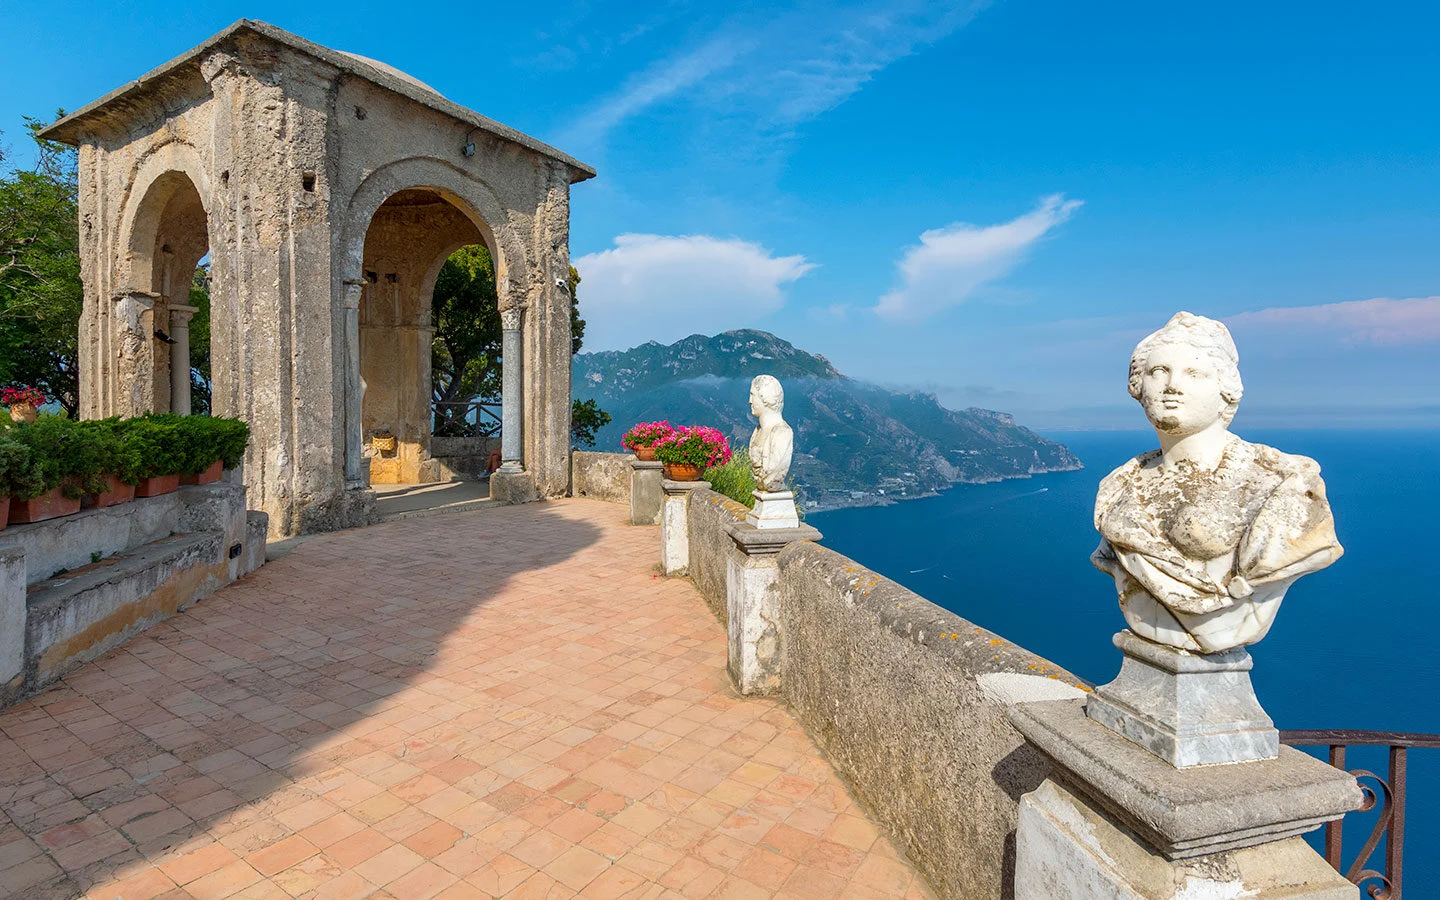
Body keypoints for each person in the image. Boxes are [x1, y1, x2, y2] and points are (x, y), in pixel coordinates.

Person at [1091, 312, 1343, 653]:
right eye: (1158, 372)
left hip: (1223, 637)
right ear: (1138, 386)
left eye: (1194, 373)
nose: (1172, 386)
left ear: (1224, 389)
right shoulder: (1120, 485)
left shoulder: (1280, 483)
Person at [748, 375, 794, 493]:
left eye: (753, 395)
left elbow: (774, 474)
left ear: (765, 398)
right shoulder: (757, 431)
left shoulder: (781, 432)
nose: (750, 401)